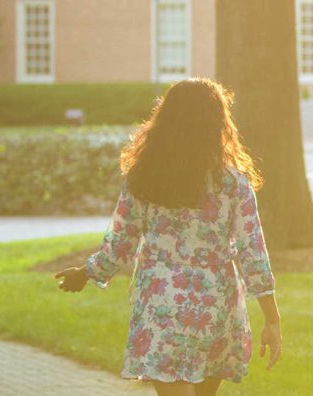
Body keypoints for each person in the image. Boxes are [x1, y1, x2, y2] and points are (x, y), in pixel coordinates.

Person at [54, 78, 282, 396]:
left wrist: (87, 273)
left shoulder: (144, 178)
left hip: (161, 305)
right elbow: (252, 251)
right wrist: (272, 319)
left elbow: (121, 242)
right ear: (218, 122)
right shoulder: (233, 183)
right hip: (215, 306)